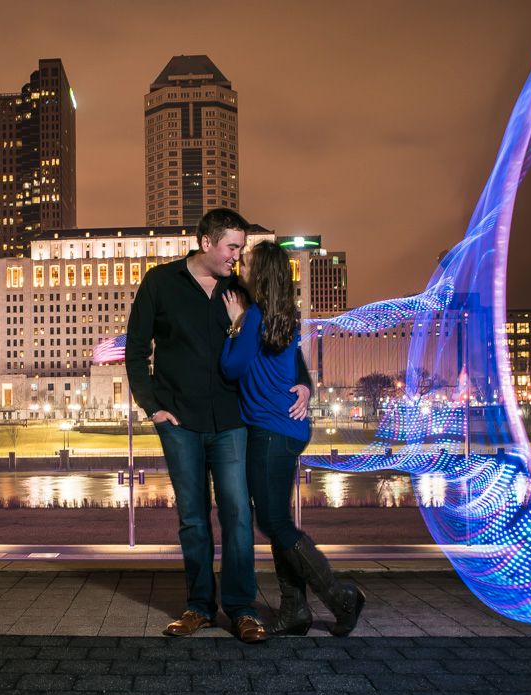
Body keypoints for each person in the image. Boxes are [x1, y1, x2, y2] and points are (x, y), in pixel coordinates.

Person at [126, 209, 310, 643]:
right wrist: (152, 407)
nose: (237, 256)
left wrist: (302, 381)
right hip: (179, 421)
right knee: (192, 519)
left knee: (238, 517)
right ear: (206, 242)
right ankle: (198, 608)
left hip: (233, 421)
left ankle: (243, 610)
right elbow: (135, 351)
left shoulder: (241, 286)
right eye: (232, 247)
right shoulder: (160, 282)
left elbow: (279, 332)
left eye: (241, 249)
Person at [219, 241, 366, 636]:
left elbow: (231, 368)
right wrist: (305, 386)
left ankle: (340, 598)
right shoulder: (283, 317)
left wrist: (234, 324)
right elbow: (294, 369)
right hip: (285, 430)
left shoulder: (252, 318)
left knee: (274, 521)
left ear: (260, 273)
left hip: (269, 432)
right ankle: (294, 610)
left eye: (246, 262)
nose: (239, 266)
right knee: (276, 518)